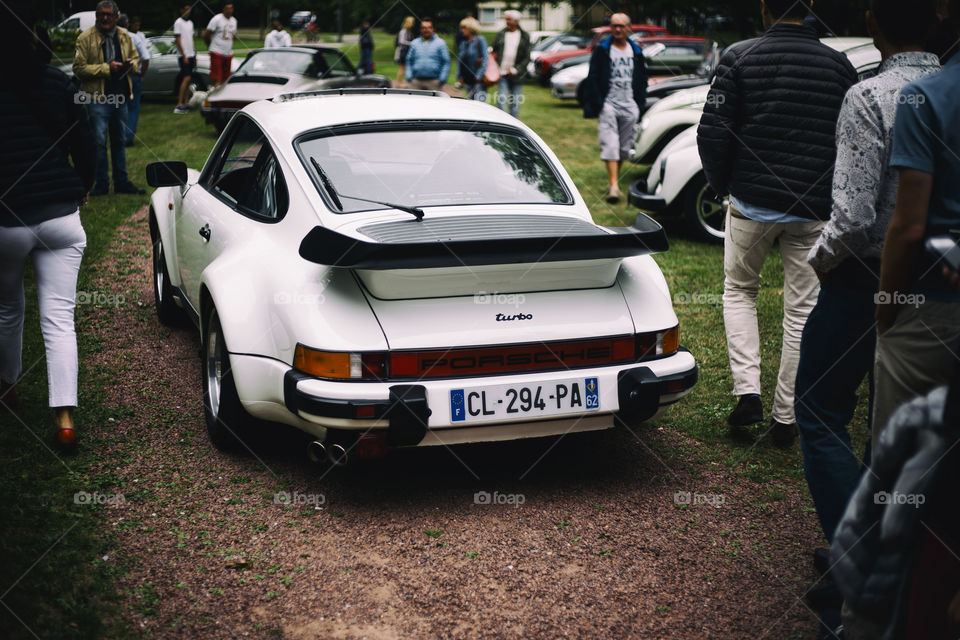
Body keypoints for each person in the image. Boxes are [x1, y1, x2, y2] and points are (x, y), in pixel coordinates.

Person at [797, 0, 941, 546]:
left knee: (817, 407)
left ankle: (858, 551)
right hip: (940, 283)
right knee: (890, 422)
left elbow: (854, 218)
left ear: (871, 23)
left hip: (865, 279)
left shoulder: (868, 96)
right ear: (938, 22)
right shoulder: (949, 94)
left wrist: (820, 261)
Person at [696, 0, 857, 447]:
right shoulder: (839, 64)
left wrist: (721, 184)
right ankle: (786, 417)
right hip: (813, 209)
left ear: (765, 7)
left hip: (751, 203)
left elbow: (713, 131)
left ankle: (748, 391)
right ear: (808, 8)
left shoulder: (739, 55)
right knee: (802, 309)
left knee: (740, 290)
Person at [1, 1, 97, 450]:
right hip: (61, 214)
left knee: (8, 310)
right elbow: (86, 139)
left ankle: (9, 388)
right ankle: (64, 420)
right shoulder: (61, 82)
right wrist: (85, 184)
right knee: (60, 320)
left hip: (8, 221)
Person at [873, 0, 960, 443]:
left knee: (902, 456)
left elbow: (907, 225)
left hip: (937, 301)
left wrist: (887, 311)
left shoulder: (927, 95)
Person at [73, 0, 144, 196]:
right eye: (101, 14)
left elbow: (137, 59)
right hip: (98, 99)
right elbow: (78, 69)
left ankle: (121, 182)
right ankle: (101, 184)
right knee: (99, 142)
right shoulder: (85, 38)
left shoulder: (124, 36)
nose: (105, 18)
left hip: (120, 97)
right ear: (96, 16)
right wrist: (107, 68)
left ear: (116, 16)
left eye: (108, 14)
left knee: (119, 141)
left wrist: (131, 65)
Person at [580, 12, 647, 204]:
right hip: (609, 105)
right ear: (610, 27)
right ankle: (614, 187)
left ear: (628, 28)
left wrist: (639, 104)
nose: (617, 29)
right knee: (610, 145)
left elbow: (642, 78)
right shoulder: (602, 49)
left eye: (621, 26)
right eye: (614, 26)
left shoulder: (636, 50)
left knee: (624, 149)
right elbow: (592, 77)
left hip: (630, 105)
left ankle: (614, 181)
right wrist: (600, 104)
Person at [491, 10, 531, 118]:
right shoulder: (501, 34)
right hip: (502, 74)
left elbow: (527, 58)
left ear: (516, 21)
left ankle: (513, 127)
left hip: (517, 75)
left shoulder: (524, 36)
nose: (506, 21)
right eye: (506, 19)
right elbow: (493, 51)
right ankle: (502, 125)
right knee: (501, 101)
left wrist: (515, 69)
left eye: (509, 19)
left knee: (515, 104)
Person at [120, 14, 149, 146]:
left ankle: (120, 135)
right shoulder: (134, 38)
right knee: (133, 108)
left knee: (120, 106)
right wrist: (142, 75)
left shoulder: (112, 37)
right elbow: (146, 58)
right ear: (127, 24)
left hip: (119, 77)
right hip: (134, 76)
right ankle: (128, 136)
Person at [404, 18, 450, 91]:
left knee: (435, 102)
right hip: (416, 82)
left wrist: (442, 78)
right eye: (424, 28)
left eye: (429, 27)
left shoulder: (441, 43)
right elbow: (409, 60)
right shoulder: (414, 43)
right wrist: (409, 76)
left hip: (434, 82)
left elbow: (446, 62)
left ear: (433, 29)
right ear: (420, 29)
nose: (426, 30)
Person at [204, 2, 237, 88]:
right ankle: (215, 99)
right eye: (227, 8)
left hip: (228, 53)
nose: (229, 10)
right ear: (223, 9)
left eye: (231, 8)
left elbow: (233, 36)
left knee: (226, 79)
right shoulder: (217, 19)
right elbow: (206, 34)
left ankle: (223, 98)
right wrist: (210, 46)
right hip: (217, 51)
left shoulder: (234, 21)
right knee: (217, 79)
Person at [457, 17, 488, 101]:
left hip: (478, 81)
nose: (462, 30)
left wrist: (479, 75)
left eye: (464, 28)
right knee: (470, 104)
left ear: (471, 29)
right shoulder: (463, 43)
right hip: (468, 79)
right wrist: (459, 76)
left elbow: (485, 58)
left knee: (480, 105)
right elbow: (460, 61)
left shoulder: (480, 40)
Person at [173, 3, 194, 114]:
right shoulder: (178, 22)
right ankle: (178, 104)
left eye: (189, 9)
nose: (188, 11)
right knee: (186, 78)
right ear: (181, 10)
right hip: (183, 56)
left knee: (189, 79)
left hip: (190, 55)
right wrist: (184, 55)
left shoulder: (191, 23)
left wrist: (194, 54)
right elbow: (178, 40)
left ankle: (186, 103)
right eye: (186, 9)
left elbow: (191, 40)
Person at [394, 16, 415, 86]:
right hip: (403, 52)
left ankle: (401, 82)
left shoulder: (408, 31)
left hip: (406, 51)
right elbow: (401, 41)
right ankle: (399, 83)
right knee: (403, 67)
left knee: (404, 67)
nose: (413, 24)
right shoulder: (403, 31)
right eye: (412, 22)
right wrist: (411, 43)